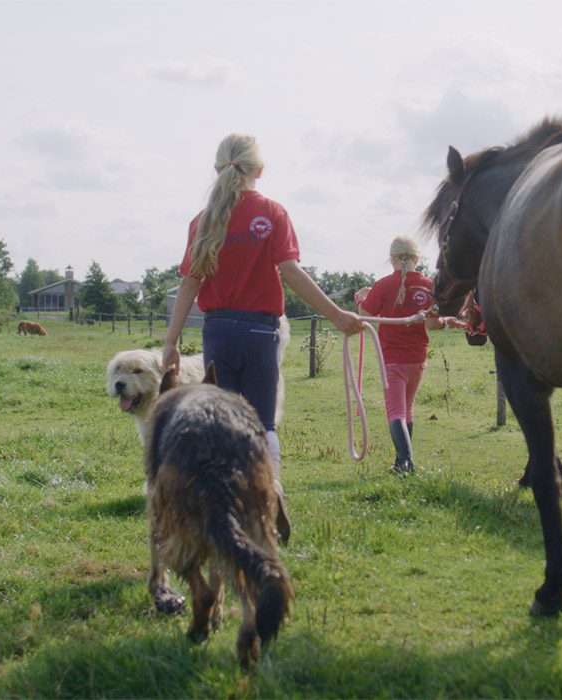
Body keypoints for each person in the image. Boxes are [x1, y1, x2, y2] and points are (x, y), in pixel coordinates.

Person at [162, 133, 362, 543]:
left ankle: (225, 511)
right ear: (259, 170)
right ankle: (269, 497)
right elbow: (290, 272)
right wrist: (337, 315)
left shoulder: (202, 221)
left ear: (217, 169)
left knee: (224, 426)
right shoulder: (272, 213)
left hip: (217, 330)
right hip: (260, 333)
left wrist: (171, 342)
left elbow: (188, 284)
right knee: (261, 424)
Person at [354, 235, 465, 474]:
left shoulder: (383, 286)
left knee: (396, 412)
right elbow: (433, 326)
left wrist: (361, 297)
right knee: (407, 409)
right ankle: (399, 463)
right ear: (416, 258)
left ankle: (407, 464)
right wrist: (448, 322)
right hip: (418, 358)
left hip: (392, 359)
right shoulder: (428, 286)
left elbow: (364, 314)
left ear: (392, 259)